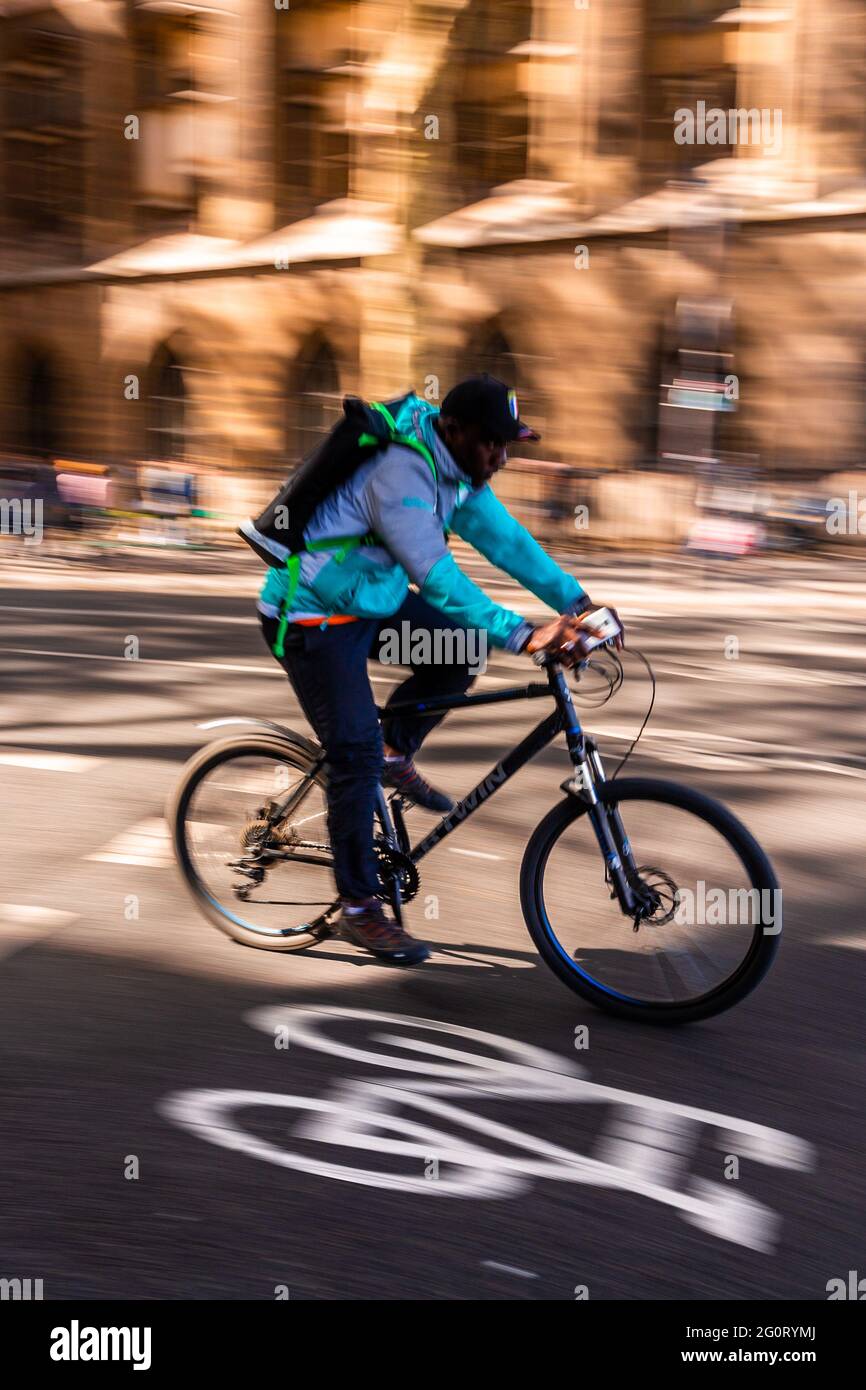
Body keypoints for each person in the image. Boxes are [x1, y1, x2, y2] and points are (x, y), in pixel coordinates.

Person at [258, 374, 622, 965]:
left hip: (367, 600)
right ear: (453, 431)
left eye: (509, 446)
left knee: (458, 651)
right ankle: (357, 908)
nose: (500, 458)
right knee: (352, 755)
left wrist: (577, 604)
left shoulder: (459, 470)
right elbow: (436, 575)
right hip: (310, 615)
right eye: (491, 445)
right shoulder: (401, 472)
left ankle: (395, 751)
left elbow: (508, 541)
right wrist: (524, 633)